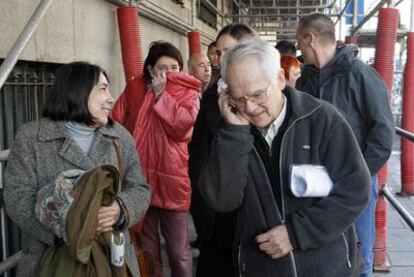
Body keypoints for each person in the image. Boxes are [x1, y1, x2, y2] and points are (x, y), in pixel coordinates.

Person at [198, 38, 371, 277]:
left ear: (280, 78)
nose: (249, 107)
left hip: (327, 267)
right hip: (261, 268)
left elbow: (356, 189)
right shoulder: (228, 129)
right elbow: (222, 201)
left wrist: (297, 233)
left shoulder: (322, 119)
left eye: (258, 94)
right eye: (238, 98)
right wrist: (234, 134)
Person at [3, 61, 151, 277]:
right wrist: (70, 228)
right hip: (51, 259)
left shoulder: (119, 136)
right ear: (77, 91)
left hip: (111, 258)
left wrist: (121, 208)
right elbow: (17, 198)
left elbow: (140, 187)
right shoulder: (31, 137)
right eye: (102, 89)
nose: (111, 98)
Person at [295, 13, 395, 277]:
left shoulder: (360, 74)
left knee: (359, 257)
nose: (298, 47)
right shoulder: (305, 79)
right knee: (320, 255)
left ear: (311, 38)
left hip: (355, 183)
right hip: (314, 180)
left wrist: (357, 173)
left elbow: (384, 133)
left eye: (299, 40)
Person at [112, 41, 201, 277]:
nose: (170, 72)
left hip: (172, 178)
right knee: (148, 246)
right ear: (151, 69)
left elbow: (182, 128)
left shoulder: (189, 91)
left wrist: (163, 96)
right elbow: (116, 120)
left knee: (179, 249)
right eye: (163, 67)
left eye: (175, 66)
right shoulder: (135, 88)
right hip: (140, 177)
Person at [188, 23, 256, 277]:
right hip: (211, 214)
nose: (220, 58)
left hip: (247, 218)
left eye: (229, 50)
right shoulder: (211, 94)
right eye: (218, 51)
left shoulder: (259, 100)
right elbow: (197, 149)